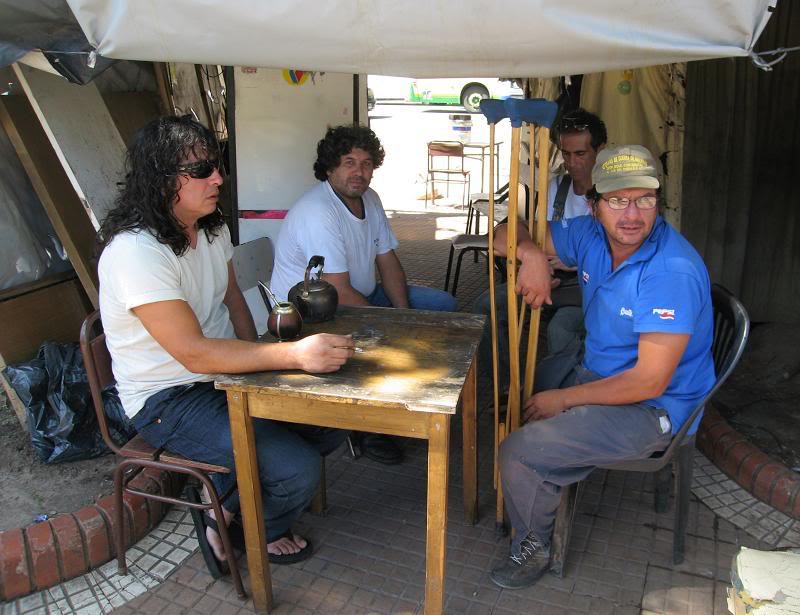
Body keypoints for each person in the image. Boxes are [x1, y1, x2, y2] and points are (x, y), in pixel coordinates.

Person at [97, 115, 355, 572]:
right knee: (297, 469)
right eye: (201, 170)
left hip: (219, 376)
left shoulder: (211, 227)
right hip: (168, 398)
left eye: (216, 166)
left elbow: (233, 298)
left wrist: (264, 370)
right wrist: (291, 355)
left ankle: (224, 498)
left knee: (329, 422)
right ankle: (251, 530)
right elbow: (193, 353)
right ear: (161, 179)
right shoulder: (135, 252)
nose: (218, 178)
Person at [489, 145, 715, 590]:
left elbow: (649, 381)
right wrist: (531, 254)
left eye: (644, 199)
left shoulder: (671, 270)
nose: (631, 214)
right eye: (617, 200)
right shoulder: (590, 234)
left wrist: (565, 400)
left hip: (654, 407)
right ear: (594, 206)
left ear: (658, 202)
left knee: (520, 450)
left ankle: (533, 544)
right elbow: (502, 232)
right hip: (600, 373)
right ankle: (539, 483)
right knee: (516, 396)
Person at [271, 124, 458, 464]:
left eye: (367, 163)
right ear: (330, 167)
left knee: (442, 307)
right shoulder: (319, 211)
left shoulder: (370, 199)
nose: (359, 172)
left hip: (362, 297)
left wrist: (403, 314)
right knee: (386, 339)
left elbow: (388, 262)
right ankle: (370, 426)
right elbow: (338, 292)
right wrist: (394, 325)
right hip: (315, 314)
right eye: (349, 162)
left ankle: (425, 395)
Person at [472, 108, 607, 386]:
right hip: (549, 277)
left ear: (600, 150)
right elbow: (525, 234)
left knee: (560, 327)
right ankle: (508, 387)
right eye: (566, 154)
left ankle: (560, 397)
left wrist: (575, 262)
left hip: (588, 287)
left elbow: (617, 255)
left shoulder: (612, 195)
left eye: (580, 154)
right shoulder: (556, 187)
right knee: (485, 307)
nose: (571, 163)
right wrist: (536, 261)